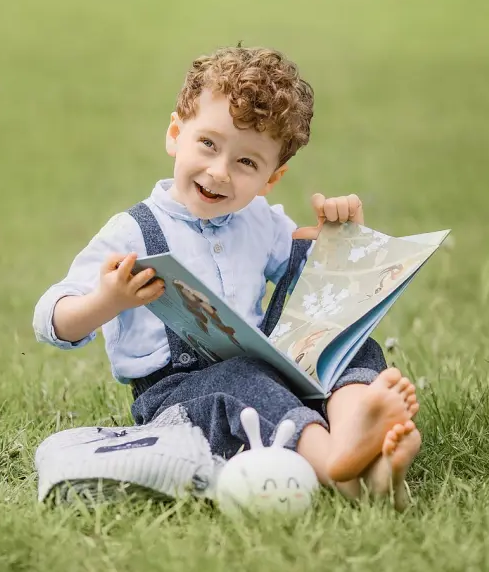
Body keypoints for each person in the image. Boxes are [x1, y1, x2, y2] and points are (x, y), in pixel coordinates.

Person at [33, 46, 421, 509]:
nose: (219, 172)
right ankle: (339, 460)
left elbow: (313, 278)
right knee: (241, 380)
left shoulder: (260, 220)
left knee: (346, 339)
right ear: (176, 134)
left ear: (271, 179)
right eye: (208, 145)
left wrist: (339, 236)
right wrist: (106, 301)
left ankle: (362, 434)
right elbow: (50, 319)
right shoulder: (133, 231)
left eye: (246, 163)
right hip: (178, 400)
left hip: (270, 374)